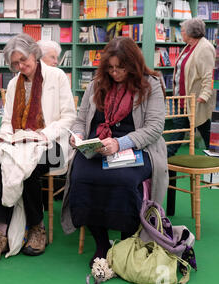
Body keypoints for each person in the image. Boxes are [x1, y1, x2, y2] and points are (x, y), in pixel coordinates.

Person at [61, 37, 169, 267]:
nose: (115, 73)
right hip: (97, 148)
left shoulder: (151, 85)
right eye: (110, 68)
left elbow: (154, 128)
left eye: (121, 68)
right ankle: (101, 243)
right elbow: (80, 120)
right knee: (81, 177)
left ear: (133, 64)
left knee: (124, 181)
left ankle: (126, 242)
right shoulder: (97, 84)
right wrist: (78, 136)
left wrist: (121, 143)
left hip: (137, 148)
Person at [0, 33, 76, 264]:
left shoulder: (57, 76)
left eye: (23, 60)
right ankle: (1, 233)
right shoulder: (14, 84)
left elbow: (69, 117)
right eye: (15, 64)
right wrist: (7, 136)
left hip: (53, 144)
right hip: (21, 143)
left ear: (34, 53)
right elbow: (6, 120)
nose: (21, 66)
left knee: (27, 166)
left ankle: (34, 228)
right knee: (7, 161)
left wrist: (43, 134)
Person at [167, 18, 216, 157]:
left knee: (206, 133)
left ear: (190, 32)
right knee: (178, 133)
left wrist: (204, 96)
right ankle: (166, 163)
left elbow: (209, 75)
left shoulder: (205, 48)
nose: (181, 33)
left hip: (196, 102)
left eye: (182, 30)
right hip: (182, 100)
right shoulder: (188, 46)